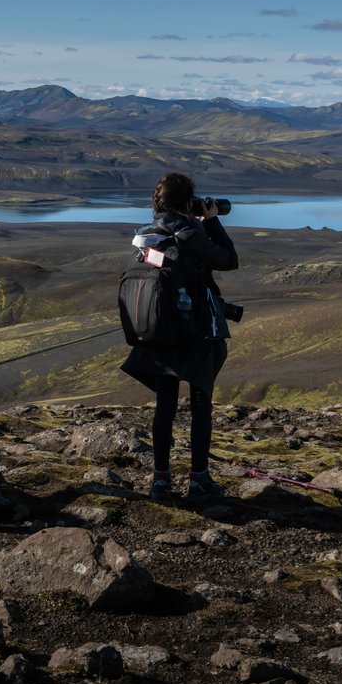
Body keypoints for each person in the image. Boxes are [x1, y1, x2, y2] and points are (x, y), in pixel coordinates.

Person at [122, 171, 239, 503]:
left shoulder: (147, 234)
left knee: (165, 407)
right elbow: (228, 259)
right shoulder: (189, 230)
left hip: (161, 330)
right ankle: (198, 480)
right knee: (200, 405)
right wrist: (211, 221)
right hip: (195, 331)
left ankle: (160, 481)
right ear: (188, 201)